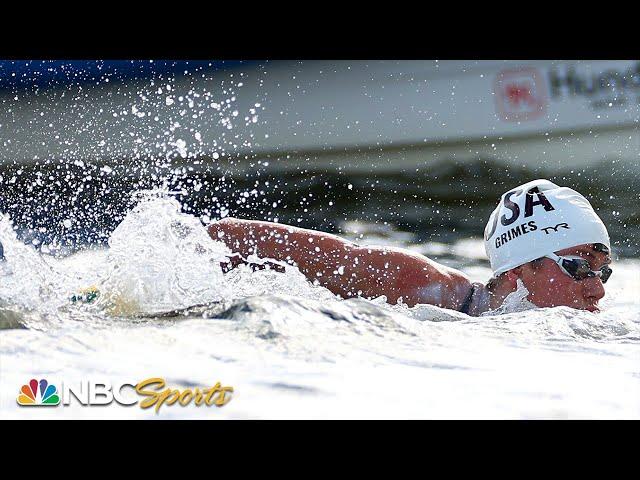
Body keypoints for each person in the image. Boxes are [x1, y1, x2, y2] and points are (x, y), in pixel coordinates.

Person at [208, 179, 612, 316]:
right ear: (515, 271)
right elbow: (230, 236)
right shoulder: (423, 288)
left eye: (602, 270)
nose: (597, 289)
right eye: (577, 266)